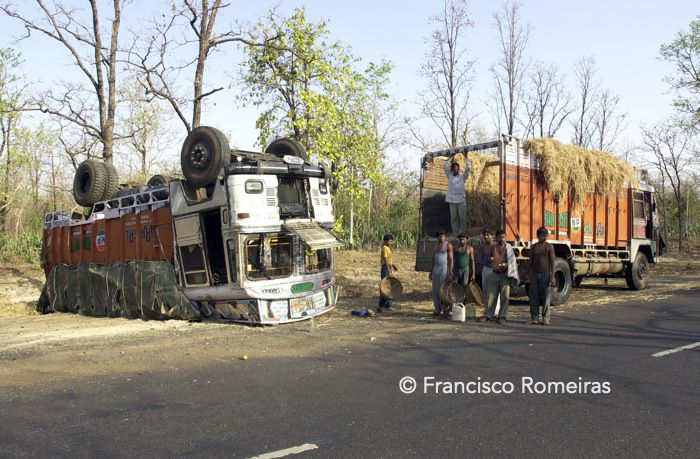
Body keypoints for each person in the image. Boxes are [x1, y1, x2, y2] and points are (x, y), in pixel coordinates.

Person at [480, 229, 519, 324]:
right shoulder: (493, 248)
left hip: (505, 275)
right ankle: (488, 315)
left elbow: (512, 262)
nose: (502, 239)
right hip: (495, 273)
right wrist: (492, 259)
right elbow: (490, 258)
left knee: (504, 296)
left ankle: (502, 316)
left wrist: (506, 265)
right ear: (496, 238)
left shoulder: (508, 248)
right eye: (500, 237)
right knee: (491, 295)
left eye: (503, 237)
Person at [527, 227, 556, 325]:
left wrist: (553, 276)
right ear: (538, 236)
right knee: (533, 297)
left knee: (546, 297)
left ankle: (546, 318)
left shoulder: (549, 246)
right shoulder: (534, 247)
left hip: (545, 274)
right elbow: (530, 261)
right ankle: (534, 318)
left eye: (546, 235)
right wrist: (527, 273)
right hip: (535, 274)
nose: (545, 237)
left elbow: (553, 261)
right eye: (543, 235)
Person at [444, 152, 470, 237]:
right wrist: (450, 158)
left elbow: (468, 169)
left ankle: (461, 233)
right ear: (452, 170)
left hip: (461, 200)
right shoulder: (450, 175)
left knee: (462, 218)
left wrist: (466, 157)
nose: (455, 170)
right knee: (454, 218)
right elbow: (445, 167)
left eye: (457, 169)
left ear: (458, 169)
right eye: (454, 169)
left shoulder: (462, 176)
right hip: (452, 200)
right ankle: (455, 234)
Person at [429, 229, 453, 317]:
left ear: (445, 237)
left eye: (443, 236)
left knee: (443, 290)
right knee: (435, 290)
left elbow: (451, 260)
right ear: (437, 237)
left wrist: (450, 272)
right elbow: (433, 259)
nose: (441, 238)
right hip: (436, 269)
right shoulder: (436, 246)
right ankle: (437, 310)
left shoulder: (448, 246)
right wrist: (431, 271)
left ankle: (446, 310)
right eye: (440, 236)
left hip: (444, 269)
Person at [378, 234, 398, 313]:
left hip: (388, 267)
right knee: (384, 287)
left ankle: (388, 305)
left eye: (391, 241)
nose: (390, 242)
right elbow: (385, 259)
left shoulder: (388, 248)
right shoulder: (384, 248)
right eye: (389, 241)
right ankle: (381, 306)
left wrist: (393, 266)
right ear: (385, 241)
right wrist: (389, 270)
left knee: (389, 287)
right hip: (385, 268)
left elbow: (389, 260)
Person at [453, 233, 475, 302]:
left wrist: (473, 274)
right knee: (455, 285)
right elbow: (451, 259)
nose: (462, 241)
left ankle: (463, 302)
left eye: (463, 239)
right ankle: (456, 301)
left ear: (467, 240)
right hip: (456, 269)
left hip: (465, 269)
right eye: (461, 240)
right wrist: (451, 270)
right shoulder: (455, 248)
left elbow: (472, 261)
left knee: (464, 285)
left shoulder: (469, 249)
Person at [479, 228, 497, 312]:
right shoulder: (483, 247)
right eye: (484, 235)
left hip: (493, 269)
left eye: (488, 235)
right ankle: (487, 310)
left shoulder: (496, 246)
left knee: (494, 291)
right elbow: (482, 257)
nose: (486, 237)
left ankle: (495, 311)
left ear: (492, 236)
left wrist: (495, 259)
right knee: (485, 290)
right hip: (485, 269)